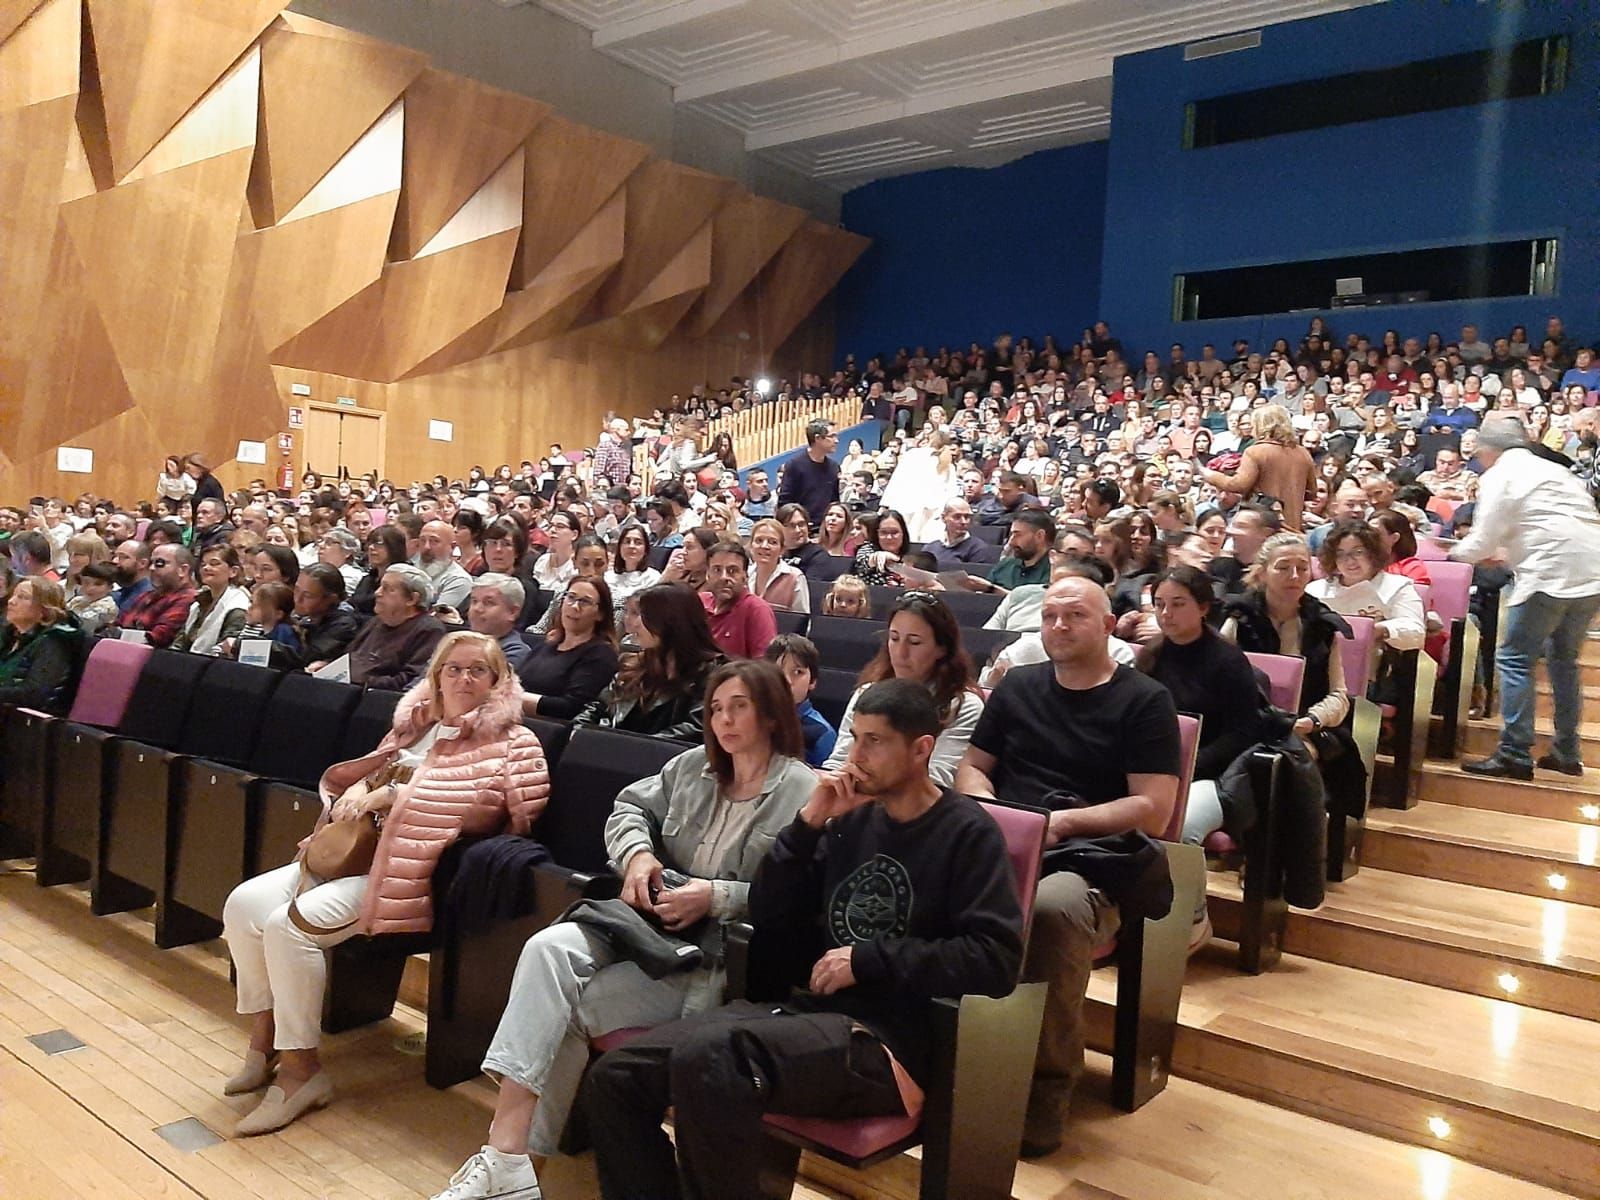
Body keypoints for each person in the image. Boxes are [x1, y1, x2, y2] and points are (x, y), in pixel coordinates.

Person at [578, 679, 1025, 1200]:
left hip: (886, 1042)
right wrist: (809, 823)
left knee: (711, 1056)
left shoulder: (967, 833)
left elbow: (995, 958)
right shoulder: (849, 822)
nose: (854, 756)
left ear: (922, 748)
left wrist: (868, 959)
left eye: (874, 742)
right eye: (854, 737)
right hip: (804, 1016)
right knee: (616, 1078)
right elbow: (771, 910)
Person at [428, 660, 815, 1200]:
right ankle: (506, 1151)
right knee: (546, 948)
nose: (724, 720)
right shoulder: (691, 767)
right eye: (717, 708)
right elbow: (627, 807)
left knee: (567, 1011)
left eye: (740, 707)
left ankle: (515, 1171)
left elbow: (800, 899)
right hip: (640, 926)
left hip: (712, 955)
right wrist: (636, 858)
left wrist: (717, 896)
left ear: (772, 714)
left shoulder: (803, 791)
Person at [222, 633, 550, 1136]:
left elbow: (496, 812)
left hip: (412, 872)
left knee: (287, 927)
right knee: (243, 906)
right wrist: (359, 785)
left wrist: (394, 796)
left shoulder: (513, 740)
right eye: (453, 669)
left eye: (477, 671)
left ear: (498, 680)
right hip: (354, 853)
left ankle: (300, 1073)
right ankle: (264, 1037)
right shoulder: (417, 724)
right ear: (436, 676)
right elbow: (369, 774)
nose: (464, 679)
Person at [956, 575, 1180, 1158]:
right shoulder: (1019, 687)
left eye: (1075, 616)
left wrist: (1062, 824)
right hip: (1014, 839)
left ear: (1109, 626)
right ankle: (928, 1051)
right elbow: (972, 768)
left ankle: (1044, 1086)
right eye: (1050, 616)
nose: (1059, 626)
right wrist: (995, 810)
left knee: (1052, 909)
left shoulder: (1145, 700)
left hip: (1092, 860)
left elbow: (1153, 810)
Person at [1452, 419, 1600, 778]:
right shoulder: (1558, 471)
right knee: (1563, 660)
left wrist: (1451, 555)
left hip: (1548, 574)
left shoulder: (1498, 475)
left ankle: (1515, 753)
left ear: (1489, 450)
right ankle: (1567, 752)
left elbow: (1481, 541)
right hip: (1593, 570)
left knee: (1514, 658)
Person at [1140, 566, 1265, 851]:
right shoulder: (1150, 654)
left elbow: (1241, 734)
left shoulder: (1229, 661)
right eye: (1159, 605)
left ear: (1204, 607)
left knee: (1182, 827)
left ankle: (1185, 896)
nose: (1165, 613)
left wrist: (1185, 768)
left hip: (1210, 773)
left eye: (1178, 604)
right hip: (1153, 769)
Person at [823, 592, 984, 787]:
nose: (900, 653)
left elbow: (939, 778)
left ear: (942, 648)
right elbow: (839, 761)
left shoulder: (963, 706)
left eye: (914, 642)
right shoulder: (867, 692)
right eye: (894, 638)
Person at [575, 584, 725, 740]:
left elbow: (697, 728)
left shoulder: (713, 674)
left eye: (644, 616)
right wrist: (576, 733)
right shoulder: (632, 664)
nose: (633, 625)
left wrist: (639, 747)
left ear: (672, 622)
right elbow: (598, 707)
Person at [1308, 520, 1426, 652]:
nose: (1350, 561)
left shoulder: (1397, 586)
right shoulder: (1315, 591)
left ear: (1373, 553)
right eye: (1340, 554)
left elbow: (1416, 633)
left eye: (1358, 552)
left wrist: (1379, 630)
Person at [1198, 405, 1316, 531]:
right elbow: (1311, 492)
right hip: (1293, 526)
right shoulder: (1303, 453)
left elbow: (1238, 485)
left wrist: (1210, 475)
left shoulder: (1255, 451)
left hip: (1263, 526)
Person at [517, 575, 620, 719]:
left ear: (600, 614)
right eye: (571, 597)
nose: (575, 606)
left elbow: (570, 707)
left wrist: (513, 700)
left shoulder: (601, 654)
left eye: (585, 602)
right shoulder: (547, 645)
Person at [345, 564, 447, 690]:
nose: (377, 593)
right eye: (380, 586)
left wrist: (362, 682)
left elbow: (411, 680)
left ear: (412, 599)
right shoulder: (376, 621)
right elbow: (348, 657)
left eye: (387, 589)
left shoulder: (429, 630)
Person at [0, 577, 84, 712]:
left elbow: (34, 694)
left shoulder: (55, 641)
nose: (11, 601)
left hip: (25, 723)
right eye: (13, 595)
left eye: (23, 597)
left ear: (45, 609)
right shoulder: (9, 635)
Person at [765, 632, 837, 768]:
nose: (787, 680)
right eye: (778, 671)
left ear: (813, 681)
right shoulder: (752, 718)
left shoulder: (821, 732)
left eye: (798, 672)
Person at [700, 541, 777, 658]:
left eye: (732, 571)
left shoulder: (757, 609)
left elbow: (764, 668)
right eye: (717, 570)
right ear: (707, 575)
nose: (724, 577)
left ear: (745, 576)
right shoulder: (698, 603)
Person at [116, 544, 199, 648]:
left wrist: (120, 635)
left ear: (183, 570)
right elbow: (119, 622)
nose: (151, 568)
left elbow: (159, 637)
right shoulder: (147, 595)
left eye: (159, 563)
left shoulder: (188, 598)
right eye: (151, 563)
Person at [173, 546, 251, 655]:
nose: (206, 568)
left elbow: (225, 650)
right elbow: (180, 642)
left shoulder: (238, 606)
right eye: (203, 564)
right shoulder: (198, 602)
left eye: (214, 564)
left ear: (233, 571)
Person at [292, 564, 362, 673]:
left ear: (331, 599)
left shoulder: (344, 625)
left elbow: (305, 657)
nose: (297, 599)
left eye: (307, 595)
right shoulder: (306, 618)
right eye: (296, 590)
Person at [775, 418, 840, 526]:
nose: (836, 440)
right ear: (818, 438)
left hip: (826, 528)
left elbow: (834, 501)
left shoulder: (834, 467)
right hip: (802, 528)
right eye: (832, 436)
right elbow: (785, 503)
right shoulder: (795, 465)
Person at [981, 508, 1055, 595]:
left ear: (1039, 536)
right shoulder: (1005, 564)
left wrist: (993, 589)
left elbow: (1037, 603)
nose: (1011, 542)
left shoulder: (1055, 570)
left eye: (1017, 535)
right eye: (1011, 535)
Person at [467, 573, 531, 672]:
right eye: (474, 601)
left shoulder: (515, 652)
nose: (477, 609)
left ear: (513, 612)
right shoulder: (459, 641)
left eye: (488, 603)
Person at [747, 518, 809, 612]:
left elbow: (802, 620)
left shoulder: (795, 578)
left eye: (773, 542)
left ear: (782, 549)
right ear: (751, 546)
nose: (764, 546)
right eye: (759, 540)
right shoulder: (743, 575)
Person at [925, 497, 1001, 569]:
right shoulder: (930, 548)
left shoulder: (979, 550)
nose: (963, 522)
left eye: (967, 517)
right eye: (957, 517)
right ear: (943, 518)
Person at [416, 519, 475, 611]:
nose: (426, 547)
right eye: (423, 540)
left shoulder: (458, 580)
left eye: (434, 541)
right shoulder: (411, 569)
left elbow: (435, 617)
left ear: (452, 547)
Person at [850, 509, 909, 586]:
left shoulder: (912, 557)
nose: (889, 537)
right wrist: (876, 557)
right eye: (884, 532)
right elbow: (863, 563)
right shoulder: (866, 549)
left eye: (894, 532)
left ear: (903, 534)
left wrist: (896, 559)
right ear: (876, 534)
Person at [605, 524, 660, 606]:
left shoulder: (653, 578)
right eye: (627, 542)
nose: (631, 546)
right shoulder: (607, 577)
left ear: (645, 550)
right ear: (619, 547)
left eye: (638, 543)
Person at [67, 561, 119, 636]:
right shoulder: (77, 601)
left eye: (98, 584)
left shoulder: (108, 606)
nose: (90, 588)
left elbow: (85, 625)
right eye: (86, 583)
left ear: (110, 587)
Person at [317, 527, 366, 596]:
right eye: (321, 541)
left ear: (347, 552)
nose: (321, 545)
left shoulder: (351, 576)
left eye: (329, 542)